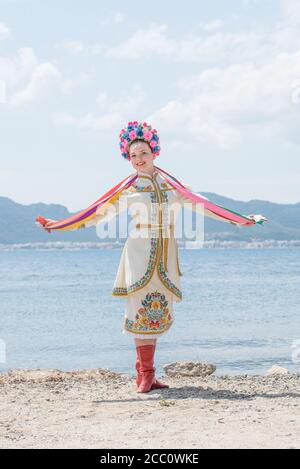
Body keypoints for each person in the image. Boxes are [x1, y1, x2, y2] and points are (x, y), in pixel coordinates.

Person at [36, 121, 268, 393]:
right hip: (139, 252)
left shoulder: (173, 186)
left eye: (143, 153)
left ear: (154, 152)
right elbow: (97, 213)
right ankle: (145, 374)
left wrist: (241, 220)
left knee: (156, 312)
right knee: (139, 310)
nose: (138, 159)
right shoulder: (128, 189)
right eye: (133, 155)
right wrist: (61, 224)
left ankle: (146, 374)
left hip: (166, 253)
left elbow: (204, 206)